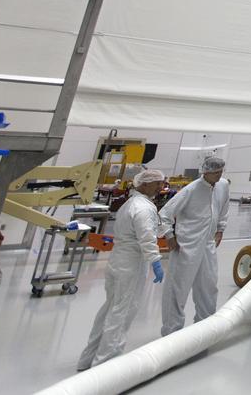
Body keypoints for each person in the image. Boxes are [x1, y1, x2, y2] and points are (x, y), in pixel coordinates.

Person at [77, 168, 165, 371]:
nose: (161, 187)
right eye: (157, 183)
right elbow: (147, 238)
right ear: (144, 184)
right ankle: (106, 366)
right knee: (122, 312)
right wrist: (155, 261)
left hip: (118, 260)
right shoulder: (143, 208)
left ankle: (87, 359)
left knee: (109, 308)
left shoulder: (130, 204)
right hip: (131, 263)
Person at [157, 154, 230, 335]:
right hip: (187, 246)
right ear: (205, 172)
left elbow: (224, 208)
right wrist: (169, 235)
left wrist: (220, 229)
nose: (218, 176)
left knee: (209, 286)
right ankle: (171, 333)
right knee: (177, 288)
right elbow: (165, 214)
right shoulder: (191, 189)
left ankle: (204, 330)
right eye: (215, 173)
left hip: (208, 245)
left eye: (220, 172)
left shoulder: (222, 186)